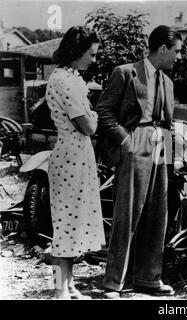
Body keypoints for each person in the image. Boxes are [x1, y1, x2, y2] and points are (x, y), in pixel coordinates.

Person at [96, 25, 182, 298]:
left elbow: (168, 123)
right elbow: (104, 110)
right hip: (135, 145)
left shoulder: (168, 82)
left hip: (161, 149)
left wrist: (174, 154)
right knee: (127, 215)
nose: (178, 57)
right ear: (163, 48)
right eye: (176, 51)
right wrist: (125, 142)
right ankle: (114, 283)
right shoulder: (125, 72)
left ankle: (149, 279)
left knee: (158, 215)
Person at [46, 26, 105, 299]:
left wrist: (91, 116)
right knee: (64, 228)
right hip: (70, 155)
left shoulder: (71, 77)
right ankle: (59, 290)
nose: (94, 60)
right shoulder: (64, 81)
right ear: (76, 52)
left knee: (73, 224)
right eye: (90, 55)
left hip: (78, 155)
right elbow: (88, 125)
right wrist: (93, 117)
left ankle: (68, 283)